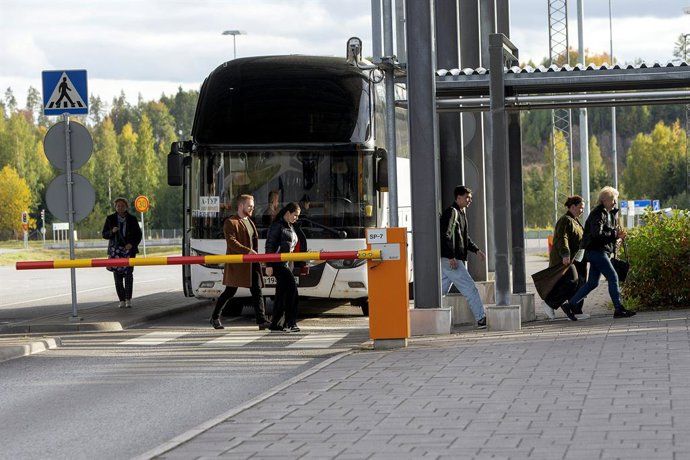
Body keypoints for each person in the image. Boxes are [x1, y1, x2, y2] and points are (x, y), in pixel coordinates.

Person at [562, 186, 636, 320]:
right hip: (596, 251)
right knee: (613, 277)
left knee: (592, 283)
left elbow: (605, 234)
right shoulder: (598, 213)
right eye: (613, 200)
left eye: (615, 200)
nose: (615, 203)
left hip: (596, 251)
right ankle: (618, 308)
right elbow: (597, 234)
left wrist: (617, 236)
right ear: (604, 200)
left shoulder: (607, 213)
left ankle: (570, 304)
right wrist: (615, 233)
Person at [210, 194, 270, 330]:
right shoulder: (231, 222)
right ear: (241, 205)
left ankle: (261, 321)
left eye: (253, 207)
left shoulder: (249, 221)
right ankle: (215, 317)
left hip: (252, 263)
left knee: (257, 290)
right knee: (230, 292)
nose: (252, 209)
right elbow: (231, 242)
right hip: (238, 264)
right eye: (249, 206)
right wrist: (247, 251)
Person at [440, 185, 487, 328]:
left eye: (470, 198)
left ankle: (418, 314)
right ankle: (481, 318)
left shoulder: (461, 213)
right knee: (470, 288)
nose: (469, 200)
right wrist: (451, 256)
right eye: (467, 197)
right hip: (451, 260)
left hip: (451, 259)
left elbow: (464, 238)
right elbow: (445, 235)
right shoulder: (451, 212)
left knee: (439, 290)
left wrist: (476, 250)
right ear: (458, 197)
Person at [542, 195, 589, 320]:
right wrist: (565, 254)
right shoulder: (566, 220)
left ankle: (576, 310)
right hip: (567, 260)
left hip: (578, 259)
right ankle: (549, 303)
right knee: (571, 282)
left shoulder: (575, 220)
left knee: (581, 284)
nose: (582, 210)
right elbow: (563, 238)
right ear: (572, 206)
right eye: (580, 208)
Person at [265, 202, 306, 333]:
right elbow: (269, 245)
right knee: (292, 292)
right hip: (279, 264)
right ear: (288, 213)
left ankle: (276, 323)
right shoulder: (277, 226)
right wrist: (269, 264)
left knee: (281, 293)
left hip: (287, 263)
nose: (297, 218)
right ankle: (290, 323)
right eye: (295, 215)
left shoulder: (291, 226)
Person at [102, 198, 142, 308]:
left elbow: (138, 235)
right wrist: (112, 231)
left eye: (122, 206)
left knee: (129, 275)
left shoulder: (132, 219)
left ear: (126, 207)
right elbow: (104, 234)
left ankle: (128, 299)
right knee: (117, 276)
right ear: (115, 207)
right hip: (115, 251)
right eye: (118, 206)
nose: (120, 207)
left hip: (129, 250)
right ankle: (121, 300)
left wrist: (132, 244)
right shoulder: (110, 219)